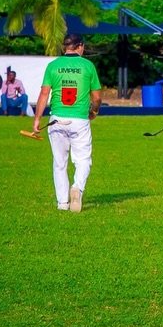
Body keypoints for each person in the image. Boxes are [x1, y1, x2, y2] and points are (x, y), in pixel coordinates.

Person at [32, 34, 101, 212]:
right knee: (83, 159)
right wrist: (94, 110)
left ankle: (62, 203)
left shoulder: (53, 66)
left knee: (59, 162)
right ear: (80, 47)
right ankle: (77, 187)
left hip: (56, 119)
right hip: (79, 119)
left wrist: (37, 119)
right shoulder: (87, 66)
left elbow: (44, 94)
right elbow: (97, 96)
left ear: (65, 47)